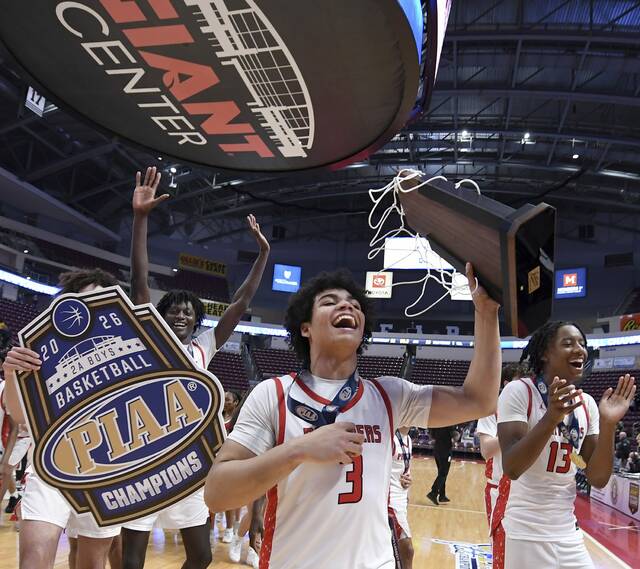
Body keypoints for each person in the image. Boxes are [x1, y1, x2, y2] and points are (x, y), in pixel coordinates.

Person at [204, 263, 501, 569]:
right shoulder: (272, 393)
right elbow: (217, 494)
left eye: (355, 304)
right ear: (305, 327)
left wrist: (486, 312)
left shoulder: (390, 395)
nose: (346, 305)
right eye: (330, 302)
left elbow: (479, 400)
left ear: (363, 329)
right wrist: (298, 450)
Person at [121, 166, 270, 569]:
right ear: (163, 315)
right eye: (175, 311)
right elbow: (139, 282)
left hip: (188, 465)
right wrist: (140, 219)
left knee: (201, 556)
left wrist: (263, 256)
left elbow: (239, 304)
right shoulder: (149, 339)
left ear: (196, 319)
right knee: (131, 561)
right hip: (144, 460)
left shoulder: (204, 347)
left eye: (188, 312)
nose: (181, 316)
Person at [2, 268, 123, 569]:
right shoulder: (40, 350)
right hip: (50, 466)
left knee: (90, 564)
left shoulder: (127, 348)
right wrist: (11, 374)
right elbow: (19, 416)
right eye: (82, 299)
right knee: (33, 562)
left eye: (99, 299)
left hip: (105, 470)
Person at [497, 321, 636, 569]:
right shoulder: (519, 392)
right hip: (526, 533)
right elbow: (512, 467)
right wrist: (551, 418)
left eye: (582, 344)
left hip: (568, 533)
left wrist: (608, 424)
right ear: (544, 353)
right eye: (568, 343)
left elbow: (597, 478)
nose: (579, 349)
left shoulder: (588, 405)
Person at [477, 363, 526, 538]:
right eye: (520, 381)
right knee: (502, 551)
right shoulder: (492, 410)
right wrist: (515, 433)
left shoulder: (535, 410)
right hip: (499, 488)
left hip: (528, 490)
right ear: (507, 384)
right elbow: (486, 450)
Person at [389, 427, 414, 569]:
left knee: (392, 551)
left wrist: (409, 479)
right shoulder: (390, 437)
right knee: (407, 549)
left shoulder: (408, 439)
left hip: (402, 498)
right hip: (390, 501)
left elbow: (405, 469)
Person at [426, 426, 453, 505]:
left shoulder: (437, 423)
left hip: (437, 450)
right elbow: (455, 434)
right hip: (445, 451)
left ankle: (442, 495)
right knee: (443, 474)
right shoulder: (449, 423)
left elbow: (433, 435)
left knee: (441, 474)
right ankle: (433, 493)